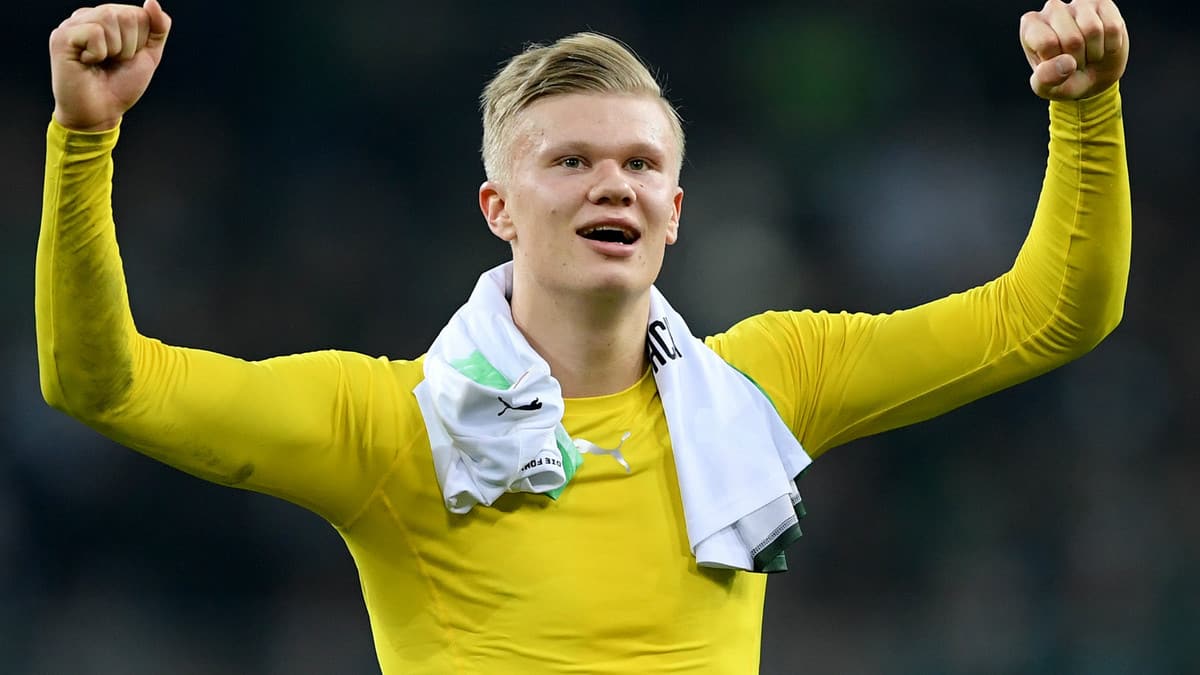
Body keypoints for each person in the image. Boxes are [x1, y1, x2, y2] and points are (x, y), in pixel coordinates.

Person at [37, 0, 1130, 672]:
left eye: (643, 165)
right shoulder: (387, 428)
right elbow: (104, 384)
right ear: (498, 208)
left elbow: (1049, 314)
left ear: (675, 211)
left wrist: (1086, 112)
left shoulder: (768, 383)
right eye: (570, 161)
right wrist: (83, 142)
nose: (615, 181)